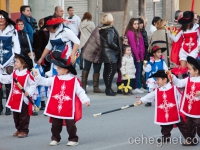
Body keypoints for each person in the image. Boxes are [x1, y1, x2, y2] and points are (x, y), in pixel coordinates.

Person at [33, 50, 90, 146]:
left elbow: (80, 91)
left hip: (68, 107)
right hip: (56, 107)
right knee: (55, 124)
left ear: (66, 70)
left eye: (59, 68)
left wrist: (85, 100)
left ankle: (73, 139)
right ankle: (55, 138)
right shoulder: (54, 79)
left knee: (70, 124)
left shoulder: (73, 80)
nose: (57, 69)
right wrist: (37, 76)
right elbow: (44, 81)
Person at [135, 70, 187, 143]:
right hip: (165, 112)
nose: (156, 81)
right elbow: (150, 95)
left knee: (182, 125)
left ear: (165, 79)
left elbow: (181, 98)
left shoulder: (174, 88)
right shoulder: (157, 90)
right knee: (164, 126)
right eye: (156, 80)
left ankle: (189, 138)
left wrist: (180, 109)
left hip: (175, 112)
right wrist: (142, 100)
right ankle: (166, 137)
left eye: (158, 79)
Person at [0, 53, 36, 138]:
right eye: (15, 61)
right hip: (14, 98)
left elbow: (33, 85)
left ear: (23, 64)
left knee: (23, 116)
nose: (15, 63)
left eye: (17, 62)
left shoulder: (28, 74)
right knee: (15, 116)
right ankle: (18, 129)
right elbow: (7, 79)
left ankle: (24, 130)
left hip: (23, 99)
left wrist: (29, 91)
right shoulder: (14, 73)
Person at [171, 56, 200, 146]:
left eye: (190, 69)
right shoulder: (187, 79)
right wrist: (171, 76)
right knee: (188, 125)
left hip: (198, 111)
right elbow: (178, 83)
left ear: (196, 71)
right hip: (188, 109)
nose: (188, 71)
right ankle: (190, 139)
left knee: (199, 126)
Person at [0, 10, 21, 115]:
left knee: (9, 83)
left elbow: (16, 45)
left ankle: (8, 106)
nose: (1, 19)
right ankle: (0, 106)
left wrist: (16, 59)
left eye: (2, 17)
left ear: (6, 18)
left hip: (9, 59)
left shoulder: (12, 30)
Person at [170, 11, 200, 76]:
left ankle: (192, 83)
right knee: (183, 70)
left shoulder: (196, 28)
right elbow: (175, 39)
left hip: (194, 50)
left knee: (191, 69)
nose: (187, 23)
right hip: (183, 50)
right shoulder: (183, 29)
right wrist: (171, 32)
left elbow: (199, 38)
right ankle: (185, 84)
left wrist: (199, 46)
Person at [99, 13, 121, 96]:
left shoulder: (102, 29)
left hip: (105, 52)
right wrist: (118, 48)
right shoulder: (110, 30)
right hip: (110, 53)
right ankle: (108, 89)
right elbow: (110, 42)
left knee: (107, 70)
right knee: (112, 70)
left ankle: (108, 88)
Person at [81, 24, 103, 93]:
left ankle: (96, 87)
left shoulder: (107, 28)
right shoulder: (99, 28)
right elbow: (99, 41)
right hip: (90, 51)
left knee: (97, 68)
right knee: (87, 68)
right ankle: (83, 87)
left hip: (98, 52)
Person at [125, 18, 145, 94]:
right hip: (133, 56)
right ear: (131, 24)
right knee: (134, 72)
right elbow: (133, 46)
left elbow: (141, 45)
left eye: (137, 24)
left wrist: (141, 56)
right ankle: (134, 87)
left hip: (138, 55)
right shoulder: (130, 33)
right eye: (135, 24)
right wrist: (137, 57)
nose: (136, 25)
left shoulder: (137, 32)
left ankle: (137, 86)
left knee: (138, 71)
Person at [27, 49, 46, 115]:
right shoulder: (27, 65)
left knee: (37, 95)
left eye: (32, 55)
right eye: (29, 55)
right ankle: (31, 107)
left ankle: (36, 107)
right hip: (29, 83)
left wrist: (37, 81)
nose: (31, 57)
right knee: (30, 95)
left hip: (36, 83)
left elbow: (39, 74)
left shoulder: (36, 65)